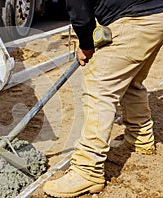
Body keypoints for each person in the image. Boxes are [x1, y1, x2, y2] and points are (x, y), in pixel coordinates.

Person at [43, 0, 163, 197]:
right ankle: (141, 139)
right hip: (156, 14)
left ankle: (87, 171)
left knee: (99, 88)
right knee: (131, 81)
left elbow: (80, 9)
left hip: (135, 18)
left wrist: (86, 44)